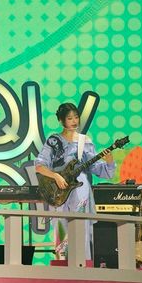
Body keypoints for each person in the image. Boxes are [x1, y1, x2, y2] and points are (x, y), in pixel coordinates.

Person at [35, 102, 115, 261]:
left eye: (76, 117)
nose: (74, 121)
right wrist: (55, 176)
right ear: (61, 120)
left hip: (81, 189)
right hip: (59, 190)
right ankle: (62, 265)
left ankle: (82, 266)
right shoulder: (54, 140)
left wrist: (109, 161)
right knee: (61, 229)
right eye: (69, 118)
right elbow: (39, 166)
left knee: (82, 229)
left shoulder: (85, 141)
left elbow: (97, 168)